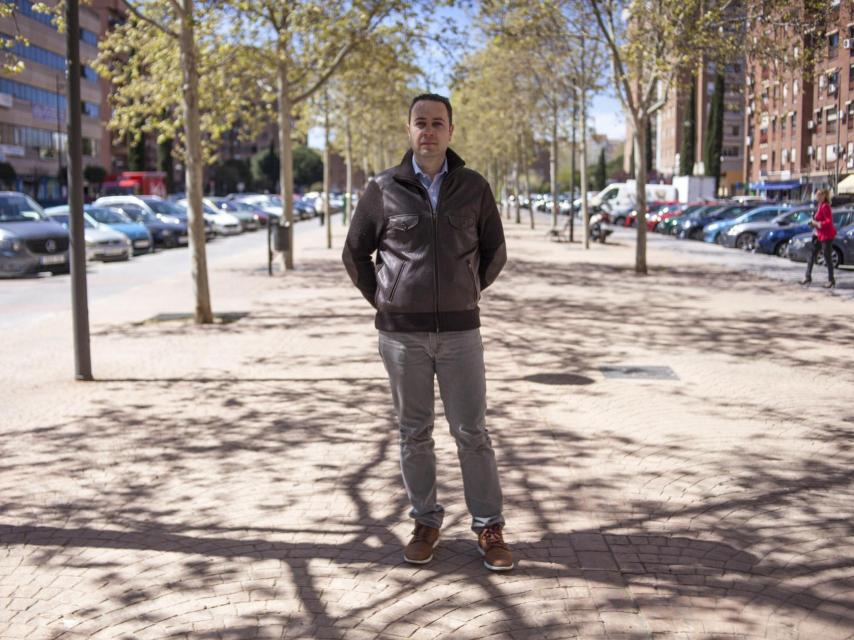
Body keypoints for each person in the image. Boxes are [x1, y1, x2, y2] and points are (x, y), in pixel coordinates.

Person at [342, 93, 513, 572]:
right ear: (409, 129)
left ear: (451, 131)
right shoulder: (383, 188)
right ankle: (425, 522)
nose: (429, 131)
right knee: (414, 433)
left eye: (438, 123)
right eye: (421, 123)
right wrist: (386, 299)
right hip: (401, 337)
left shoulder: (474, 187)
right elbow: (355, 254)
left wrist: (465, 290)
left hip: (461, 334)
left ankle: (489, 526)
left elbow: (495, 251)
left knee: (472, 432)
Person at [800, 189, 836, 288]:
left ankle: (831, 280)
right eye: (817, 194)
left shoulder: (826, 206)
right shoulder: (819, 206)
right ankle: (808, 277)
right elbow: (817, 219)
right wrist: (812, 223)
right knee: (811, 256)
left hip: (826, 236)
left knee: (827, 257)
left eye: (820, 194)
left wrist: (817, 223)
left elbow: (828, 222)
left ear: (824, 196)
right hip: (818, 235)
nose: (818, 196)